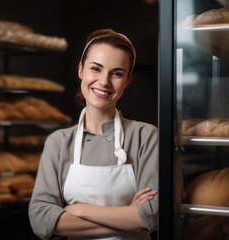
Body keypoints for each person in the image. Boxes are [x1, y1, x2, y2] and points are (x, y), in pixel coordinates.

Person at [28, 29, 158, 240]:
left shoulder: (146, 137)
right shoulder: (59, 143)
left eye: (116, 73)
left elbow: (154, 215)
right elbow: (41, 219)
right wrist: (132, 219)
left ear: (127, 80)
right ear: (81, 70)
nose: (104, 81)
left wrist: (77, 210)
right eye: (96, 69)